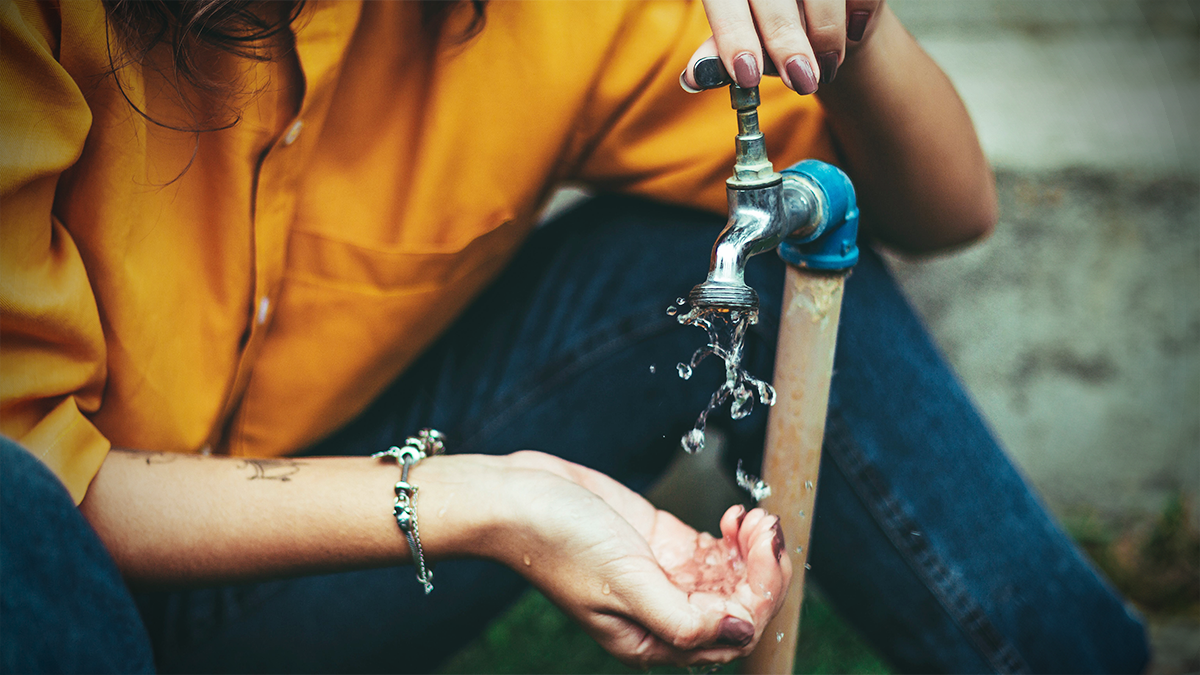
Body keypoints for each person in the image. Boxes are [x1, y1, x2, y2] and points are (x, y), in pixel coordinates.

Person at [0, 0, 1149, 672]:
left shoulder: (542, 19)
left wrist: (856, 20)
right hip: (50, 571)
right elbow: (38, 483)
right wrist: (491, 502)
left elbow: (946, 209)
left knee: (684, 250)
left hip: (295, 571)